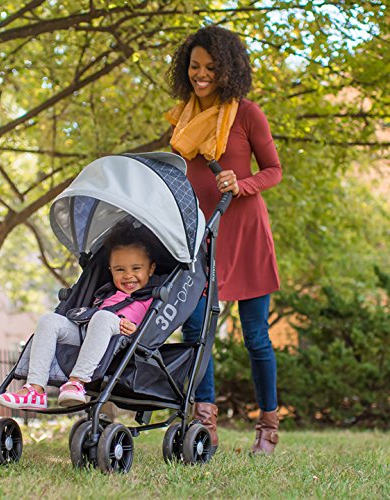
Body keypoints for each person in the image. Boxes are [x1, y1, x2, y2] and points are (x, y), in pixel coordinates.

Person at [166, 25, 282, 455]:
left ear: (228, 69)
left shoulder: (247, 114)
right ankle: (204, 421)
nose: (201, 75)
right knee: (195, 329)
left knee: (256, 336)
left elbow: (273, 170)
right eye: (195, 66)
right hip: (201, 234)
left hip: (246, 232)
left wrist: (242, 183)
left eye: (211, 68)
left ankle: (268, 425)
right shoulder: (182, 120)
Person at [0, 223, 156, 409]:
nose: (128, 275)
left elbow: (154, 333)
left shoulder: (151, 298)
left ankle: (76, 382)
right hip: (86, 333)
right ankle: (35, 389)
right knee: (49, 320)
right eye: (120, 269)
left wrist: (137, 331)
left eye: (136, 268)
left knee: (103, 317)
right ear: (110, 269)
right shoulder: (105, 293)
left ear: (150, 269)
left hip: (121, 339)